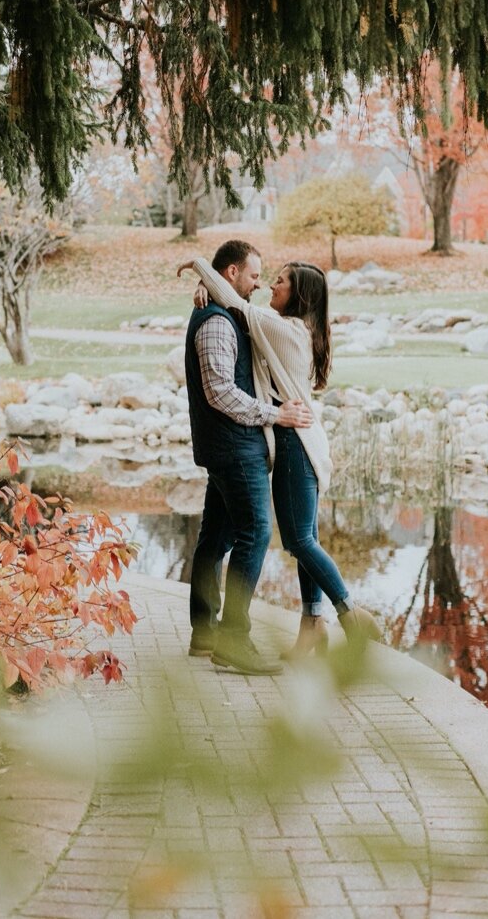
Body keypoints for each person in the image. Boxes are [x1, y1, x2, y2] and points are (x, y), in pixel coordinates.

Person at [181, 254, 380, 656]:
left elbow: (236, 302)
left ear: (299, 295)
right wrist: (207, 290)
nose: (272, 285)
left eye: (281, 281)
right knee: (306, 536)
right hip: (299, 438)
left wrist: (199, 267)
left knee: (299, 540)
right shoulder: (290, 328)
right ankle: (312, 627)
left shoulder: (284, 330)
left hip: (295, 442)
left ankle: (349, 613)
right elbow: (233, 302)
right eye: (269, 278)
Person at [182, 239, 314, 676]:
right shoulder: (218, 322)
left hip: (226, 447)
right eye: (255, 275)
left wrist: (205, 285)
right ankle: (233, 640)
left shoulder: (226, 311)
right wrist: (276, 415)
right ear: (232, 273)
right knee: (255, 533)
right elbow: (220, 391)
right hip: (235, 447)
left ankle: (204, 632)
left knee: (216, 539)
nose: (259, 284)